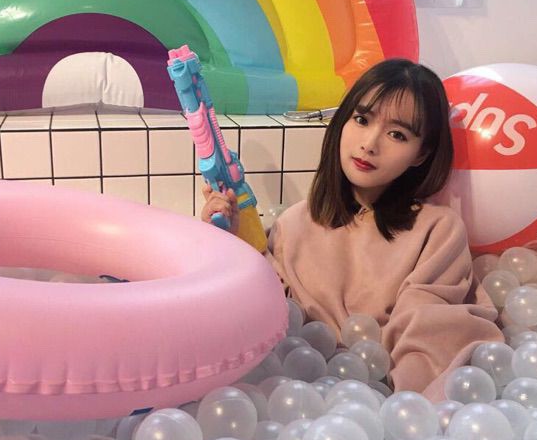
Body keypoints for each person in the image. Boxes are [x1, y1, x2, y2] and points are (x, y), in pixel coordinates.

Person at [201, 58, 503, 399]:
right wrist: (227, 240)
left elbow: (428, 334)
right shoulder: (295, 223)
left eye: (397, 134)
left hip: (385, 402)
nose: (370, 144)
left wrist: (396, 413)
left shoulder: (437, 229)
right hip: (295, 395)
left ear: (421, 154)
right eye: (362, 119)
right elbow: (263, 314)